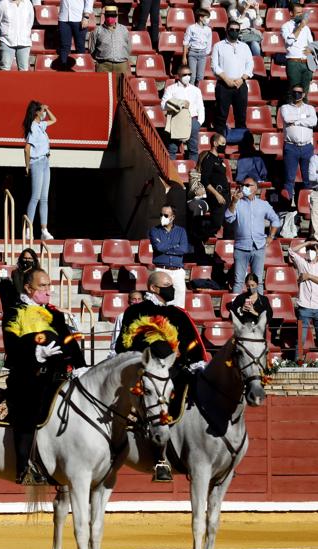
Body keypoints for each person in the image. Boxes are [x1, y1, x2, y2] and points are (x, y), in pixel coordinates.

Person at [113, 270, 206, 481]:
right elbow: (125, 345)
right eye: (167, 284)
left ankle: (209, 453)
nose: (171, 288)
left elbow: (192, 344)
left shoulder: (179, 314)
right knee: (156, 403)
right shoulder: (136, 312)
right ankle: (159, 459)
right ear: (154, 288)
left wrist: (194, 362)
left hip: (178, 370)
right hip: (148, 371)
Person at [1, 268, 86, 485]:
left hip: (57, 376)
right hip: (27, 375)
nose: (48, 291)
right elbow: (11, 345)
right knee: (28, 408)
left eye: (49, 286)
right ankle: (25, 466)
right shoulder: (14, 311)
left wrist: (80, 366)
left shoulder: (55, 314)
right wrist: (35, 352)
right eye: (42, 286)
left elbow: (69, 343)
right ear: (29, 288)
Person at [225, 177, 280, 293]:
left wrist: (271, 236)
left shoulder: (263, 204)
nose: (244, 187)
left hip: (258, 247)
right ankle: (237, 309)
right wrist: (233, 202)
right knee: (239, 280)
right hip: (241, 247)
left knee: (258, 280)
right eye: (243, 185)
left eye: (248, 185)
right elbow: (228, 218)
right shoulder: (237, 203)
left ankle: (258, 308)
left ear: (255, 188)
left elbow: (275, 220)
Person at [212, 19, 253, 137]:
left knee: (241, 117)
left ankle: (241, 145)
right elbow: (214, 66)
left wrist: (242, 79)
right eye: (232, 30)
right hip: (223, 85)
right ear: (227, 30)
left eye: (237, 30)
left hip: (241, 85)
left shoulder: (244, 47)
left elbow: (250, 65)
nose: (234, 32)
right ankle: (219, 145)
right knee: (221, 117)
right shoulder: (218, 46)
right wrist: (227, 80)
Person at [23, 101, 56, 240]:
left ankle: (44, 230)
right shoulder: (33, 127)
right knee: (35, 196)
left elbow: (54, 120)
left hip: (45, 161)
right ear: (36, 112)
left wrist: (47, 109)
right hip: (36, 162)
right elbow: (27, 148)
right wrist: (27, 166)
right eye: (41, 111)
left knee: (44, 198)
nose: (43, 113)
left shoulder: (41, 126)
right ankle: (28, 229)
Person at [280, 85, 316, 204]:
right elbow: (287, 118)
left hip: (307, 147)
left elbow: (314, 121)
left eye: (299, 92)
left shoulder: (310, 108)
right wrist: (304, 118)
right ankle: (287, 206)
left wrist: (297, 120)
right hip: (291, 147)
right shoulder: (285, 107)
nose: (297, 94)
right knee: (289, 178)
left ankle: (307, 205)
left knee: (308, 179)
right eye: (295, 92)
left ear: (304, 95)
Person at [149, 205, 191, 308]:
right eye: (161, 214)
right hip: (161, 270)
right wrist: (176, 246)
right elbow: (159, 247)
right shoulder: (154, 230)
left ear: (173, 217)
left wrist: (166, 247)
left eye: (166, 215)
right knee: (158, 302)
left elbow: (184, 249)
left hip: (177, 271)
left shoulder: (181, 231)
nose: (162, 217)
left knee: (179, 303)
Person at [162, 67, 203, 161]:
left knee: (193, 149)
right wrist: (179, 103)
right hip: (176, 121)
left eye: (189, 74)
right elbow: (163, 105)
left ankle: (193, 173)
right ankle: (171, 174)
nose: (187, 77)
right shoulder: (171, 89)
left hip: (192, 121)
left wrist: (199, 123)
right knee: (172, 149)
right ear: (178, 76)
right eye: (185, 75)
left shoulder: (196, 90)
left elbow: (201, 107)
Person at [197, 133, 230, 237]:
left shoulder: (219, 160)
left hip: (226, 195)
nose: (224, 145)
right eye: (222, 143)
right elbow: (204, 180)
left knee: (229, 222)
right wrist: (217, 195)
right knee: (216, 224)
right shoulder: (208, 159)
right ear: (215, 143)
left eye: (225, 143)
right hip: (217, 196)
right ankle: (199, 236)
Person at [291, 239, 318, 355]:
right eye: (309, 250)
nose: (310, 252)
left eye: (313, 250)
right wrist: (307, 243)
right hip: (304, 308)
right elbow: (291, 250)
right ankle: (298, 363)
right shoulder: (302, 263)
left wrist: (309, 276)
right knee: (300, 339)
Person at [0, 0, 33, 71]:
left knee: (24, 70)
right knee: (5, 68)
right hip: (6, 41)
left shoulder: (28, 3)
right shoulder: (2, 4)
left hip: (24, 42)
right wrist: (5, 33)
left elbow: (30, 21)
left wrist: (25, 32)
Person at [283, 4, 314, 95]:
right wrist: (300, 27)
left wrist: (311, 51)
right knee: (294, 93)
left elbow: (311, 44)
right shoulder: (285, 26)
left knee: (305, 93)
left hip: (306, 63)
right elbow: (289, 42)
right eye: (298, 13)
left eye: (302, 13)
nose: (301, 15)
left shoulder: (307, 28)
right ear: (291, 13)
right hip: (293, 63)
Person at [89, 6, 130, 73]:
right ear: (105, 16)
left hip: (121, 65)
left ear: (116, 17)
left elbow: (129, 47)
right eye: (108, 16)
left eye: (113, 16)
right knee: (102, 83)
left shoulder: (124, 29)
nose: (110, 18)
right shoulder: (97, 30)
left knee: (120, 83)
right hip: (103, 65)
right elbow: (92, 49)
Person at [56, 0, 92, 70]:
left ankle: (81, 69)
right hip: (64, 18)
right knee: (64, 46)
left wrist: (86, 17)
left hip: (79, 18)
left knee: (80, 46)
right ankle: (63, 69)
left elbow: (89, 1)